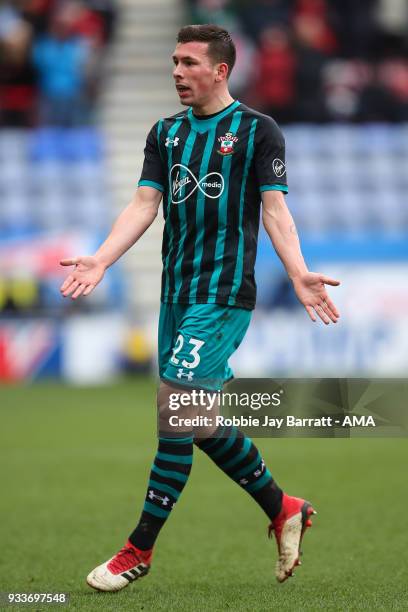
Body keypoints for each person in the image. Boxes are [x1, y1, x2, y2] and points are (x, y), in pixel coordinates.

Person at [60, 24, 340, 591]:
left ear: (220, 70)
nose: (177, 72)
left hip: (221, 295)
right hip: (177, 295)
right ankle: (283, 506)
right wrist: (102, 260)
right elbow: (144, 203)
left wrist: (298, 271)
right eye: (174, 61)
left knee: (174, 413)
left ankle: (138, 549)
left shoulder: (258, 131)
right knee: (198, 420)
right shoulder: (165, 132)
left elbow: (275, 211)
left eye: (189, 62)